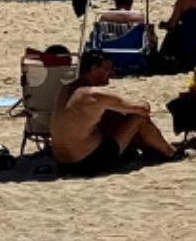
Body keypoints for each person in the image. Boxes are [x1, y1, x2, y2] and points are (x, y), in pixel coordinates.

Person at [50, 51, 181, 175]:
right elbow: (142, 109)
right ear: (94, 69)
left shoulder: (65, 89)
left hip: (62, 164)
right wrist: (142, 102)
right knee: (138, 117)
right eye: (107, 69)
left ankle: (150, 151)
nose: (112, 73)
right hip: (87, 163)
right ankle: (170, 153)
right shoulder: (94, 95)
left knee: (111, 115)